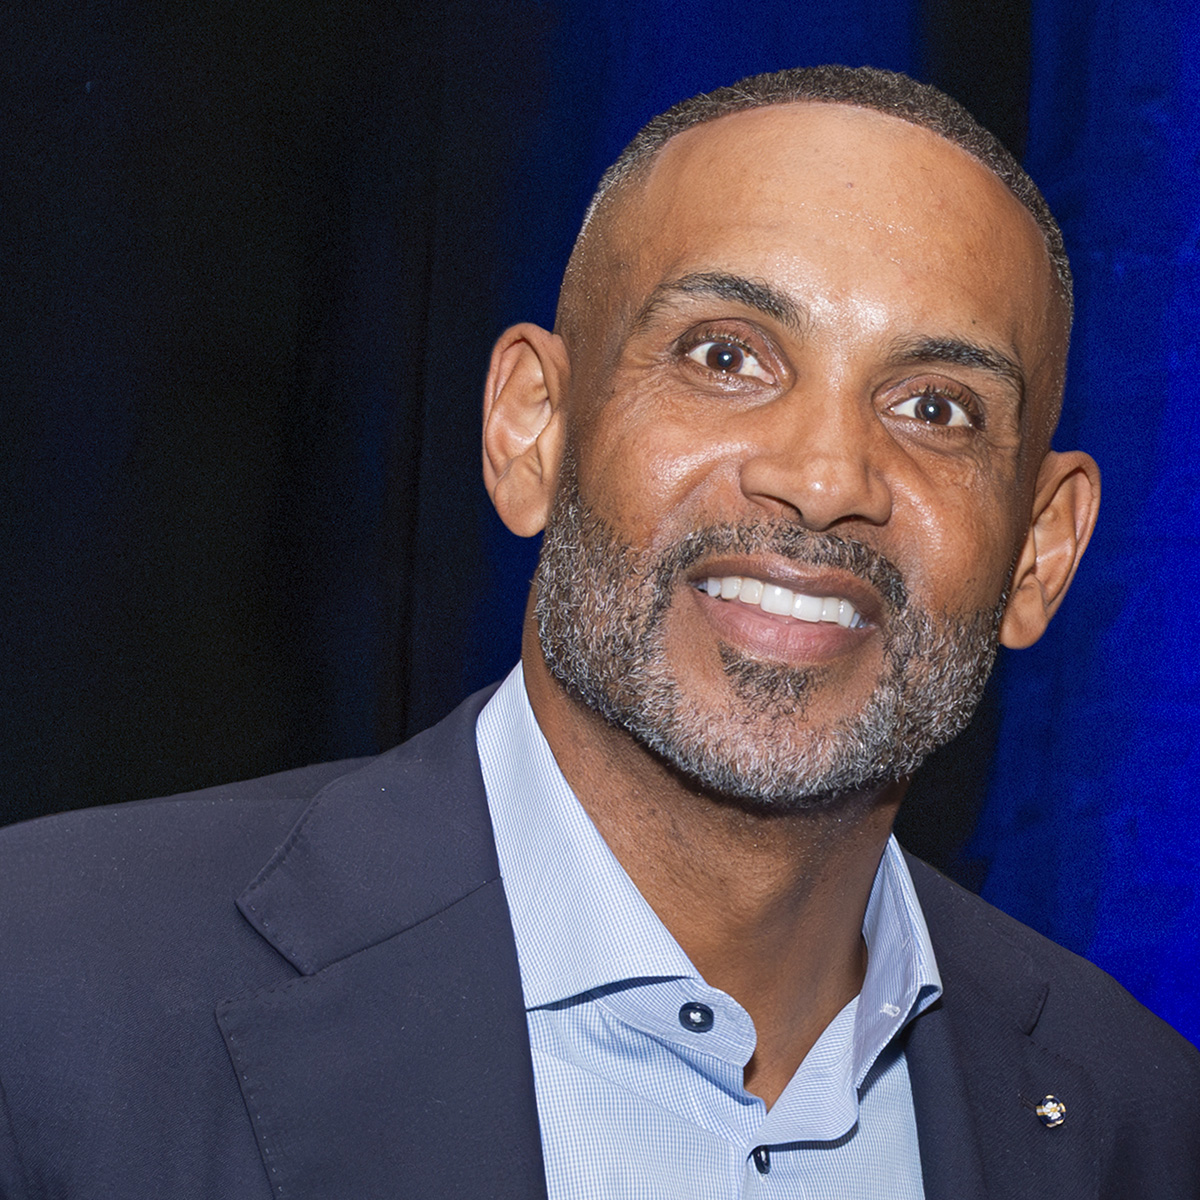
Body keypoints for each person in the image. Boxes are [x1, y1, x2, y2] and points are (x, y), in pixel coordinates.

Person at [0, 64, 1196, 1199]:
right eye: (726, 355)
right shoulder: (50, 992)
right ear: (535, 431)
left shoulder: (1140, 1124)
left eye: (935, 407)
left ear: (1041, 550)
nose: (825, 476)